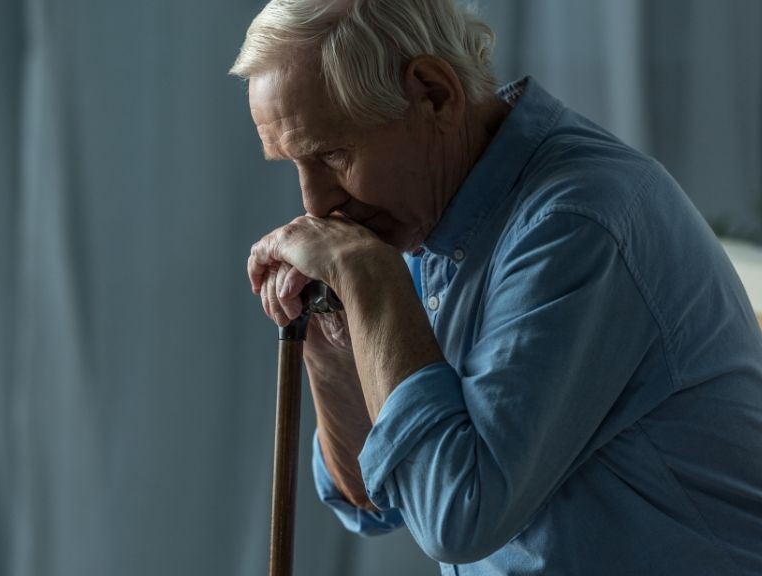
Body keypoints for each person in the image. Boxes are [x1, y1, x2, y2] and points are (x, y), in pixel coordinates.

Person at [230, 0, 762, 574]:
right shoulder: (421, 215)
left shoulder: (576, 221)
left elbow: (459, 519)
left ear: (433, 93)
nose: (314, 203)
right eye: (294, 163)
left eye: (334, 154)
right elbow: (372, 496)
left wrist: (371, 281)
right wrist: (331, 337)